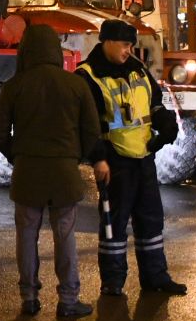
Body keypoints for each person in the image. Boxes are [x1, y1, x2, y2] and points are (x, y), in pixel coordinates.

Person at [0, 23, 103, 319]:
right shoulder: (75, 85)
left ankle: (29, 297)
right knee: (65, 234)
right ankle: (68, 299)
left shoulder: (15, 86)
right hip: (64, 171)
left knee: (27, 235)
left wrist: (17, 156)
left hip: (28, 170)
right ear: (56, 49)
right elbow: (93, 131)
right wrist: (73, 156)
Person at [78, 18, 187, 298]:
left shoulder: (137, 69)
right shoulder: (87, 76)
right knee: (114, 223)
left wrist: (166, 124)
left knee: (151, 221)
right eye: (125, 45)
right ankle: (113, 281)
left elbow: (153, 101)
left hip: (144, 157)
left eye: (131, 45)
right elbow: (87, 125)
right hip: (115, 161)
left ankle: (155, 277)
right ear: (107, 42)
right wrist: (99, 159)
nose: (129, 50)